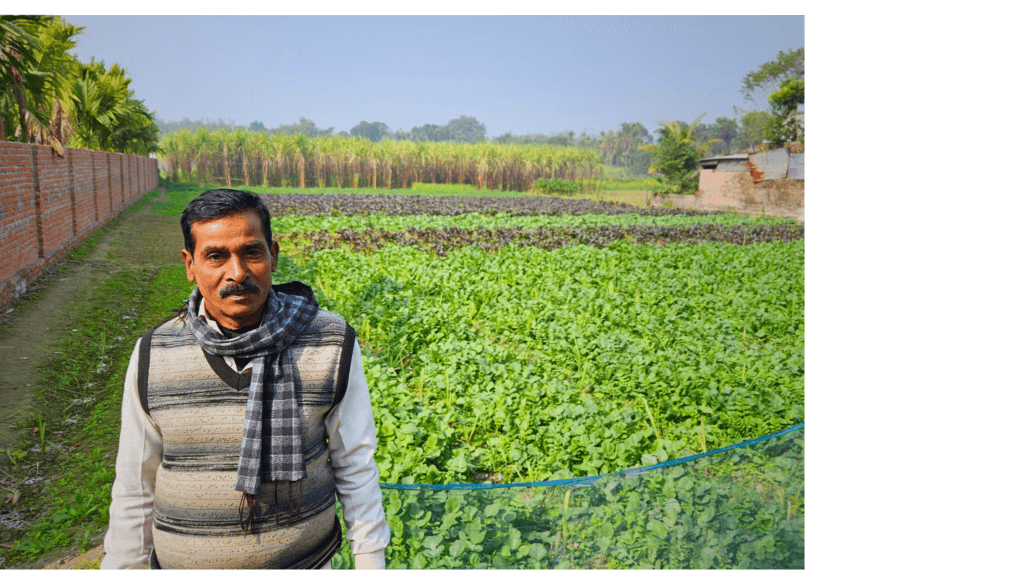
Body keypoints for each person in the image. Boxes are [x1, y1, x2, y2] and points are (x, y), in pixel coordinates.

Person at [101, 189, 389, 569]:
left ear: (273, 254)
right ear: (190, 264)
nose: (237, 272)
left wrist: (371, 561)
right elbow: (135, 485)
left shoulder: (329, 342)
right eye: (216, 256)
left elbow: (355, 464)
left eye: (251, 252)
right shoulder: (155, 353)